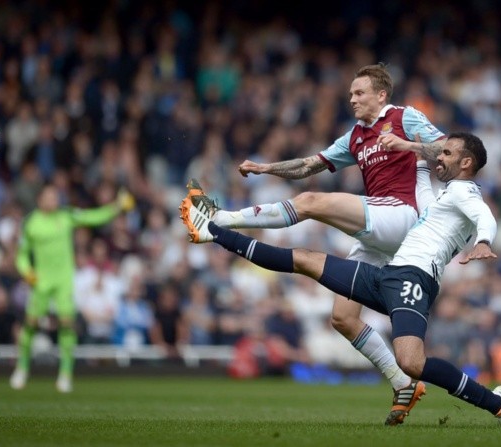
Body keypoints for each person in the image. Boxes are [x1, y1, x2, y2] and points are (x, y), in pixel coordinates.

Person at [180, 132, 501, 427]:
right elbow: (424, 196)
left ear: (467, 163)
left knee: (412, 362)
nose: (440, 156)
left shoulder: (466, 192)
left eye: (448, 153)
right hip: (388, 275)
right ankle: (213, 232)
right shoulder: (446, 197)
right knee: (305, 260)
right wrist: (418, 158)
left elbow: (485, 216)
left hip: (414, 281)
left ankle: (496, 402)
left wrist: (484, 241)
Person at [184, 63, 447, 424]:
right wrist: (266, 168)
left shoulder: (404, 117)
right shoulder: (355, 137)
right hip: (379, 228)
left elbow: (447, 150)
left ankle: (218, 218)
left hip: (403, 215)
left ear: (381, 94)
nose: (352, 99)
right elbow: (310, 165)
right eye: (350, 93)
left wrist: (408, 145)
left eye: (359, 92)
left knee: (310, 202)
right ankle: (402, 383)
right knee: (342, 318)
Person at [9, 183, 135, 393]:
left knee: (67, 325)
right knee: (30, 324)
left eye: (56, 196)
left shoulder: (66, 215)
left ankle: (66, 374)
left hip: (64, 281)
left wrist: (116, 207)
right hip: (41, 281)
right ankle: (22, 368)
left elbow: (93, 217)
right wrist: (28, 272)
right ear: (40, 200)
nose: (54, 200)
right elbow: (21, 255)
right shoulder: (31, 223)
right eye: (50, 196)